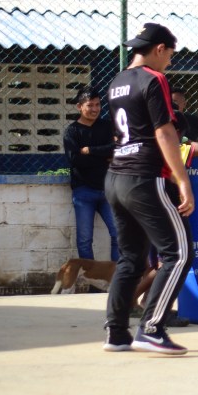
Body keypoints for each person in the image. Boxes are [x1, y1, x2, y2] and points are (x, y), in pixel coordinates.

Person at [102, 22, 195, 355]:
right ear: (159, 49)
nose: (169, 61)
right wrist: (183, 181)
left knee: (130, 258)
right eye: (170, 55)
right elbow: (163, 132)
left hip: (116, 178)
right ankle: (152, 329)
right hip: (144, 177)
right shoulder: (154, 79)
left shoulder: (116, 82)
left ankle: (116, 333)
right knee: (179, 254)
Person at [62, 86, 119, 263]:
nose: (95, 109)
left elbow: (117, 148)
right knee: (84, 240)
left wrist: (90, 150)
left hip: (108, 190)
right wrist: (105, 157)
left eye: (97, 104)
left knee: (119, 234)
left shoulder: (107, 126)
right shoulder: (72, 131)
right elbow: (75, 160)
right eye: (90, 105)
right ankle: (90, 276)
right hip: (83, 191)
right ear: (79, 107)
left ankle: (117, 275)